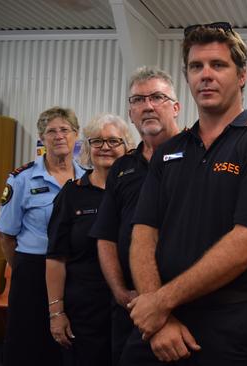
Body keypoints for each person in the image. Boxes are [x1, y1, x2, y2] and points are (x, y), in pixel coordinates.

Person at [122, 22, 247, 365]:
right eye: (196, 67)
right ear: (187, 76)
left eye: (218, 65)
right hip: (158, 322)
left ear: (241, 75)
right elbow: (143, 234)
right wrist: (160, 317)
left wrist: (159, 303)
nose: (206, 75)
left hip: (223, 324)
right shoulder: (170, 150)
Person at [88, 66, 181, 365]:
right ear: (131, 113)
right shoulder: (122, 168)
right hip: (129, 308)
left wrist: (164, 302)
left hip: (180, 307)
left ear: (176, 107)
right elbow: (106, 235)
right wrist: (119, 292)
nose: (148, 105)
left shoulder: (197, 157)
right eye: (139, 100)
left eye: (157, 97)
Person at [0, 106, 86, 366]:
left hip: (74, 272)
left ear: (75, 135)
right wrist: (23, 270)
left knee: (69, 343)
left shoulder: (87, 179)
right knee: (27, 344)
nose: (59, 136)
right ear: (42, 138)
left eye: (65, 130)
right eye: (51, 131)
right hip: (32, 271)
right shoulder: (22, 179)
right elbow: (6, 236)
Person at [45, 114, 134, 365]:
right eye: (97, 141)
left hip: (130, 309)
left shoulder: (140, 192)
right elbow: (55, 257)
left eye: (114, 141)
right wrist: (56, 312)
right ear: (87, 148)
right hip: (83, 312)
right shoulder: (71, 194)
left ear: (128, 148)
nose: (105, 147)